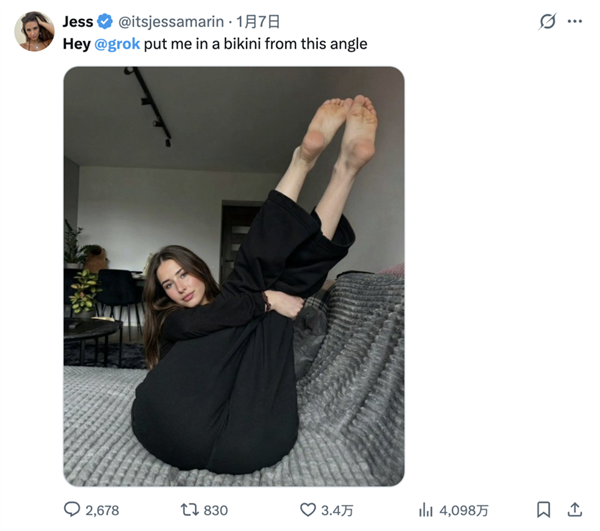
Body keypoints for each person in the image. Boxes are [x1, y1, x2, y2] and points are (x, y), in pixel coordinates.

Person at [131, 95, 378, 474]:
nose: (179, 288)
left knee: (276, 298)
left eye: (183, 274)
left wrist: (269, 302)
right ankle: (305, 162)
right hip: (174, 421)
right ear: (163, 297)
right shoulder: (173, 323)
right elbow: (213, 317)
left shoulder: (244, 309)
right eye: (168, 285)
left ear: (200, 271)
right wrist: (265, 299)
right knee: (249, 295)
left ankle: (346, 170)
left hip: (252, 439)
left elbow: (254, 308)